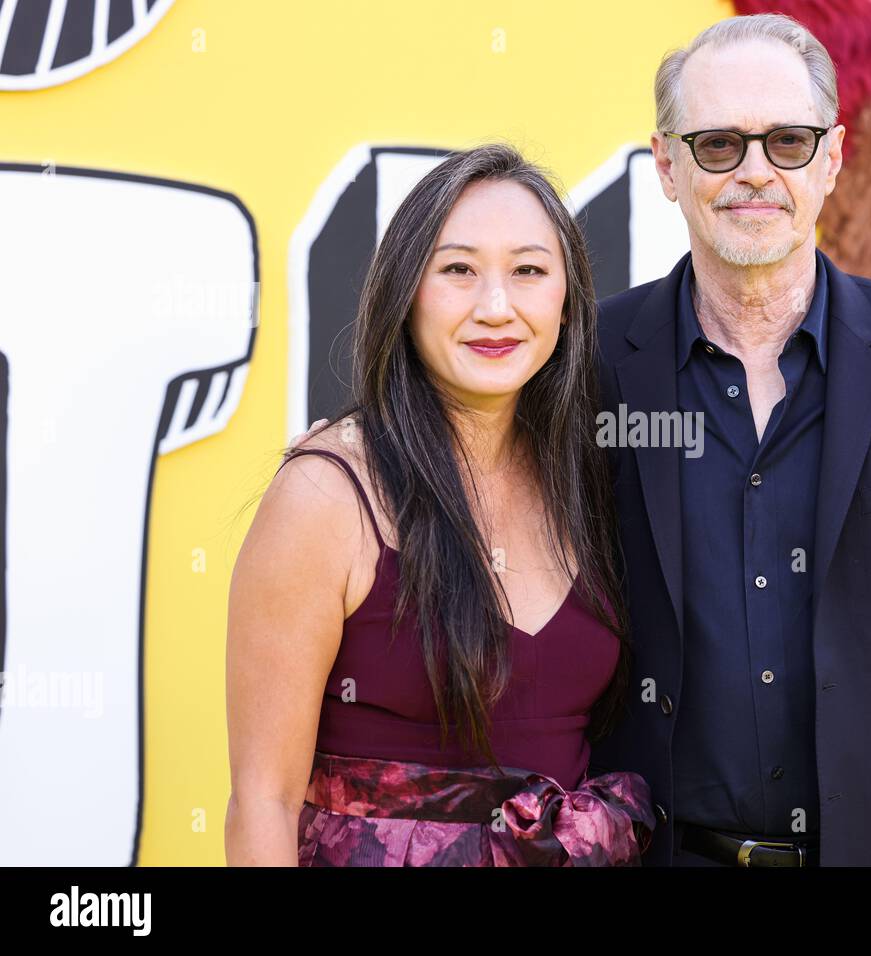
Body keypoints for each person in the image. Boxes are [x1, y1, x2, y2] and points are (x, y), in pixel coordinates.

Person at [586, 13, 871, 866]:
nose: (755, 174)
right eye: (718, 145)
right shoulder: (589, 364)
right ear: (667, 166)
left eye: (787, 142)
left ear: (831, 158)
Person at [225, 143, 654, 866]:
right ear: (406, 292)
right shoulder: (328, 495)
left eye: (528, 271)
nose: (496, 307)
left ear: (567, 299)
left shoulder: (588, 478)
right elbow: (261, 802)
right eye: (458, 270)